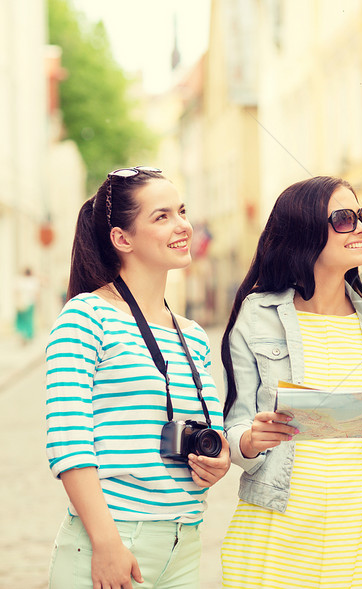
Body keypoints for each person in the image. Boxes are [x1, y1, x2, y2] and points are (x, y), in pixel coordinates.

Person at [219, 176, 362, 588]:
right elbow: (235, 427)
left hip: (361, 535)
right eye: (343, 218)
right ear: (304, 229)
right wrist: (253, 439)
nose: (360, 227)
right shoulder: (257, 314)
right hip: (277, 532)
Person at [45, 166, 231, 589]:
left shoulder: (193, 335)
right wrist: (106, 543)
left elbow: (212, 432)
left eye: (181, 211)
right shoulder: (85, 317)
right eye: (161, 216)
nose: (182, 225)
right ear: (122, 239)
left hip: (184, 543)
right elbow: (68, 440)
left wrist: (217, 460)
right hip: (115, 540)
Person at [14, 267, 40, 343]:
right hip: (30, 303)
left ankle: (22, 334)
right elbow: (36, 294)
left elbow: (17, 292)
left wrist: (17, 302)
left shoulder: (20, 280)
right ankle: (28, 334)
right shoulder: (33, 281)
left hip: (22, 303)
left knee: (21, 320)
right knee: (29, 320)